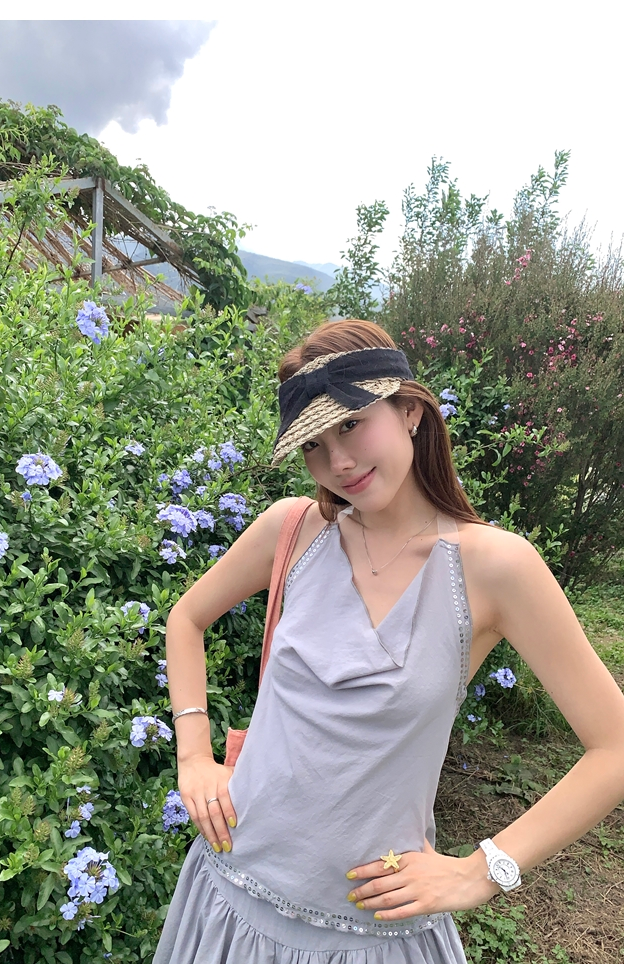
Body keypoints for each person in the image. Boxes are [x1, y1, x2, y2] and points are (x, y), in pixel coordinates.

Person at [153, 318, 624, 963]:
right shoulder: (293, 530)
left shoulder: (494, 568)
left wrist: (482, 870)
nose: (338, 461)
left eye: (352, 423)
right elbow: (186, 619)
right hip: (230, 895)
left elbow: (615, 747)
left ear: (409, 411)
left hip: (370, 933)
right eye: (314, 443)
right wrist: (192, 757)